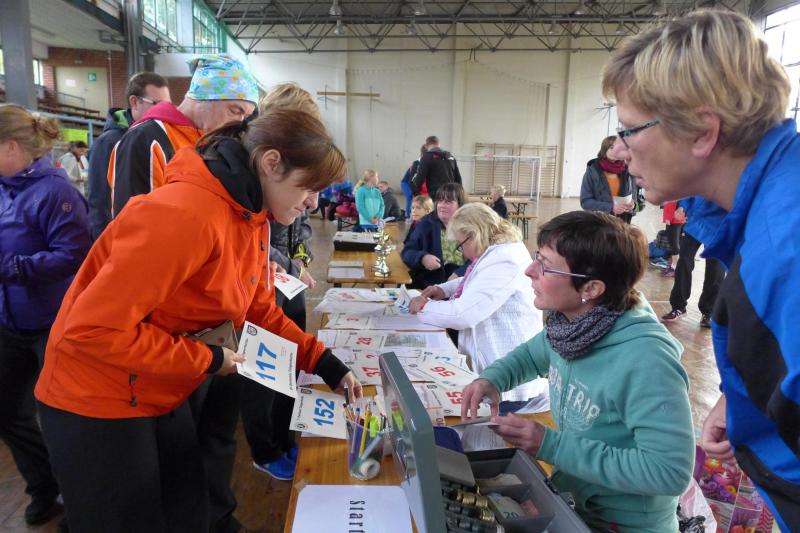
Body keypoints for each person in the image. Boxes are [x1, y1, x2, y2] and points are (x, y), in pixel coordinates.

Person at [34, 109, 362, 532]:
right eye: (309, 187)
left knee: (188, 512)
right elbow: (90, 331)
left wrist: (323, 362)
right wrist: (207, 359)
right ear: (271, 162)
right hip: (96, 399)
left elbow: (258, 307)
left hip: (157, 387)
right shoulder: (187, 214)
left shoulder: (249, 215)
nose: (314, 202)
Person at [601, 10, 799, 530]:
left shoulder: (785, 249)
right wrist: (745, 397)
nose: (620, 152)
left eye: (629, 130)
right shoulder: (764, 209)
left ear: (703, 132)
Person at [462, 211, 694, 532]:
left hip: (622, 524)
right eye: (536, 257)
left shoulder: (647, 359)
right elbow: (531, 355)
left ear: (592, 288)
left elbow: (669, 471)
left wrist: (552, 446)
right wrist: (493, 378)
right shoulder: (571, 326)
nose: (530, 271)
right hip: (575, 501)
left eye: (545, 265)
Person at [0, 105, 91, 526]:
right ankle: (44, 487)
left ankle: (81, 504)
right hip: (9, 321)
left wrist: (13, 267)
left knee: (63, 422)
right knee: (7, 412)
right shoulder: (4, 187)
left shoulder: (56, 192)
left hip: (52, 324)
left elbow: (73, 255)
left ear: (11, 146)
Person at [241, 83, 319, 482]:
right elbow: (254, 236)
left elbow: (300, 224)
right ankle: (265, 449)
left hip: (290, 283)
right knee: (262, 373)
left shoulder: (295, 167)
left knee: (291, 364)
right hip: (263, 285)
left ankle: (285, 435)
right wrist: (288, 263)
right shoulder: (256, 169)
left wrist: (300, 260)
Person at [409, 203, 547, 408]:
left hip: (506, 382)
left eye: (461, 244)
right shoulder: (497, 250)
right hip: (497, 370)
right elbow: (476, 279)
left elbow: (462, 314)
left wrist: (422, 307)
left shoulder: (504, 260)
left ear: (474, 235)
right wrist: (443, 289)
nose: (463, 252)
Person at [110, 53, 258, 216]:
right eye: (235, 111)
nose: (239, 123)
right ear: (204, 97)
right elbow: (133, 220)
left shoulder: (211, 143)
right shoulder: (145, 139)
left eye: (245, 116)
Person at [86, 71, 170, 240]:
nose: (164, 111)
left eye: (168, 105)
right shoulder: (108, 142)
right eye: (156, 104)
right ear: (134, 102)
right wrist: (106, 245)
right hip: (120, 237)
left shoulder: (159, 135)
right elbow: (100, 201)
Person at [661, 197, 726, 326]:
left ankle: (709, 312)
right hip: (696, 221)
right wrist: (682, 206)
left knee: (715, 269)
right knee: (684, 261)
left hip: (719, 225)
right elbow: (692, 189)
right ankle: (678, 307)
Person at [402, 183, 471, 288]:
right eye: (440, 200)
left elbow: (480, 257)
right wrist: (422, 257)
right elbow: (407, 252)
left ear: (460, 205)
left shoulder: (470, 226)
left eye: (448, 201)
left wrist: (460, 273)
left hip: (464, 284)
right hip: (431, 284)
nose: (442, 205)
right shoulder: (426, 224)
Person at [580, 135, 640, 223]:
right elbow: (585, 202)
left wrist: (634, 205)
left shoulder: (629, 170)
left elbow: (637, 201)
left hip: (623, 222)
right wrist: (611, 207)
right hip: (600, 221)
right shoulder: (592, 171)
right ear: (604, 149)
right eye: (611, 147)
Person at [411, 135, 462, 200]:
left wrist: (416, 194)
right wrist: (459, 196)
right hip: (451, 195)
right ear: (439, 144)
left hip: (436, 196)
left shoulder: (426, 157)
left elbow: (419, 179)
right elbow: (458, 178)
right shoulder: (451, 157)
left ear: (426, 146)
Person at [401, 144, 426, 219]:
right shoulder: (417, 162)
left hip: (412, 183)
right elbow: (411, 180)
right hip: (406, 183)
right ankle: (407, 217)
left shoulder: (424, 161)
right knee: (410, 197)